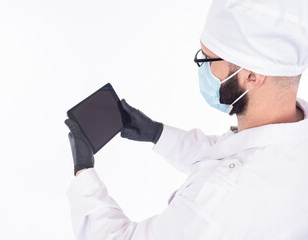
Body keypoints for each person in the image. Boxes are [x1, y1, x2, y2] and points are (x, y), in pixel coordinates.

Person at [65, 0, 308, 239]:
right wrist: (158, 134)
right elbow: (229, 153)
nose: (201, 66)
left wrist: (84, 174)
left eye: (208, 59)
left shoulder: (220, 199)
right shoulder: (295, 133)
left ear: (251, 77)